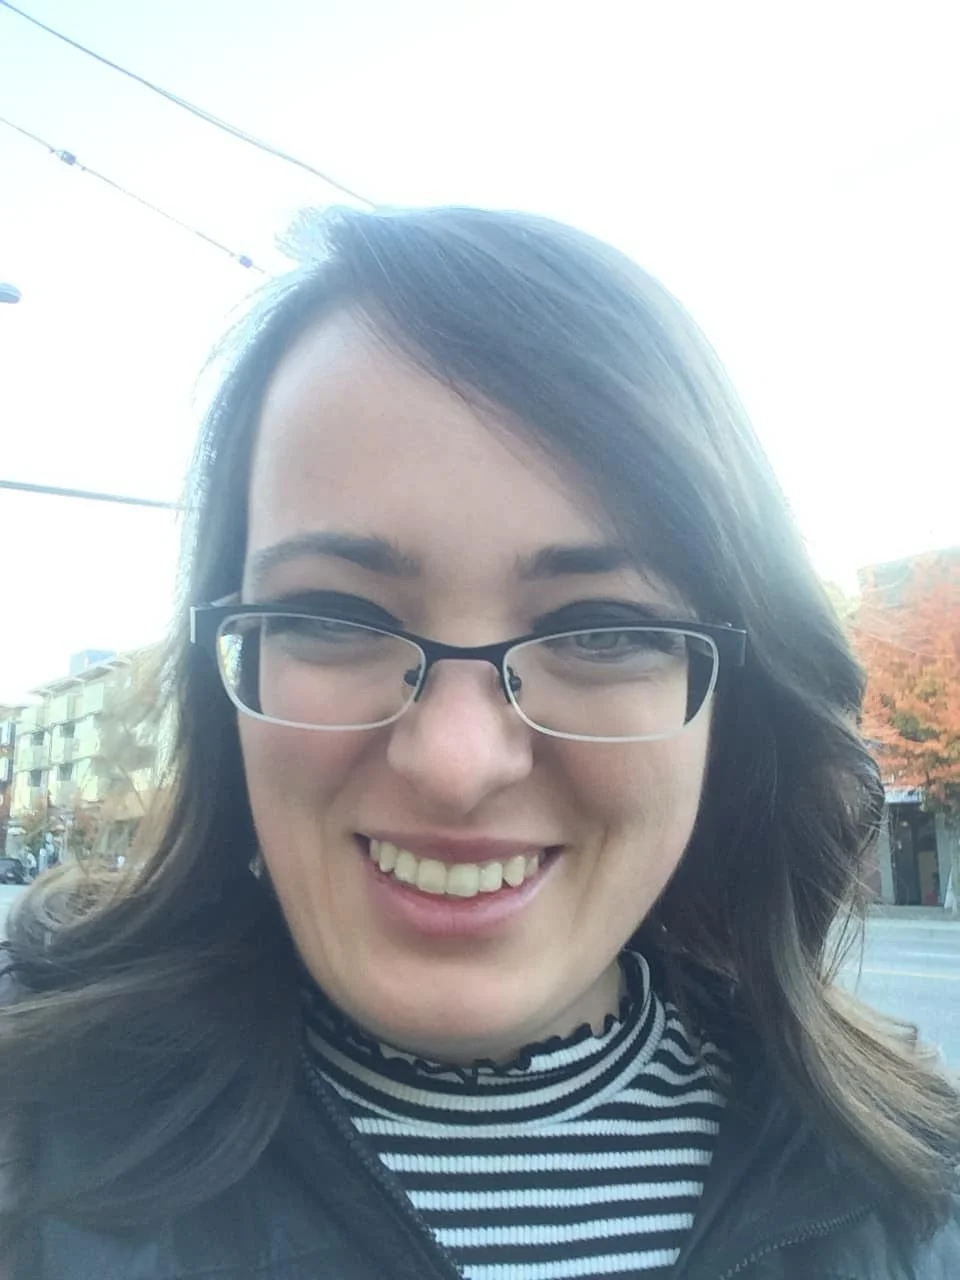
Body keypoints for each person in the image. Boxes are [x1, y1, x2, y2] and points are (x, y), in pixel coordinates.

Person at [1, 207, 958, 1279]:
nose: (455, 765)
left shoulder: (921, 1199)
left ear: (735, 699)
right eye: (332, 613)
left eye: (600, 629)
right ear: (228, 672)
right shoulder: (25, 1139)